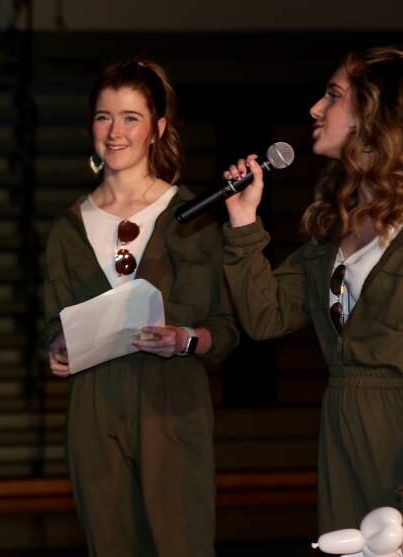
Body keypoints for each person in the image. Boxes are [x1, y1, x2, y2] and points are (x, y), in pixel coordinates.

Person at [43, 58, 240, 557]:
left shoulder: (192, 215)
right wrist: (57, 347)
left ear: (158, 129)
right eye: (103, 117)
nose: (115, 131)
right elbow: (52, 323)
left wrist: (186, 339)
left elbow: (226, 326)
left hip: (172, 403)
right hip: (94, 406)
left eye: (130, 117)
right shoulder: (67, 229)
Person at [221, 45, 403, 532]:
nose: (315, 109)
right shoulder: (332, 233)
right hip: (342, 437)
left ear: (373, 110)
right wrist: (243, 222)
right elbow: (265, 316)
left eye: (332, 95)